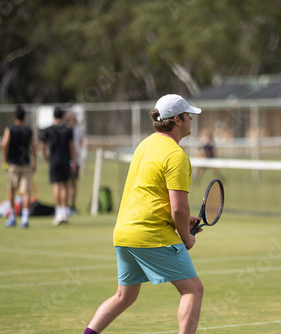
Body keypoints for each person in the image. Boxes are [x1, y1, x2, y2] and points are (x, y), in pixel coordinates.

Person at [82, 94, 204, 334]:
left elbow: (152, 196)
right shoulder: (176, 155)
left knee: (124, 295)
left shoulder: (145, 144)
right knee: (193, 290)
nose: (191, 118)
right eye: (188, 115)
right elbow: (179, 208)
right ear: (178, 120)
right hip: (150, 234)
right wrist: (186, 237)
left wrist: (179, 221)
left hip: (125, 233)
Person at [0, 105, 36, 228]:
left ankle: (12, 217)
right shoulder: (28, 130)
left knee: (11, 190)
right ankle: (25, 219)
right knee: (26, 192)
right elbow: (33, 147)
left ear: (14, 117)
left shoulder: (9, 129)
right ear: (24, 118)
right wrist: (34, 161)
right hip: (26, 164)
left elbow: (4, 144)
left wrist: (4, 158)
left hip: (13, 164)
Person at [39, 106, 76, 225]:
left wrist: (45, 156)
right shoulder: (68, 129)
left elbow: (42, 146)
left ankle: (58, 212)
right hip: (65, 160)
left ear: (53, 116)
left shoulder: (48, 129)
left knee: (56, 185)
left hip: (54, 160)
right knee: (65, 185)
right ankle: (64, 213)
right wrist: (74, 160)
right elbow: (71, 146)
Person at [65, 110, 88, 215]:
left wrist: (84, 147)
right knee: (65, 184)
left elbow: (82, 141)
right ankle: (64, 206)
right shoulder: (64, 129)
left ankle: (72, 206)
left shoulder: (79, 129)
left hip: (76, 160)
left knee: (74, 183)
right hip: (66, 160)